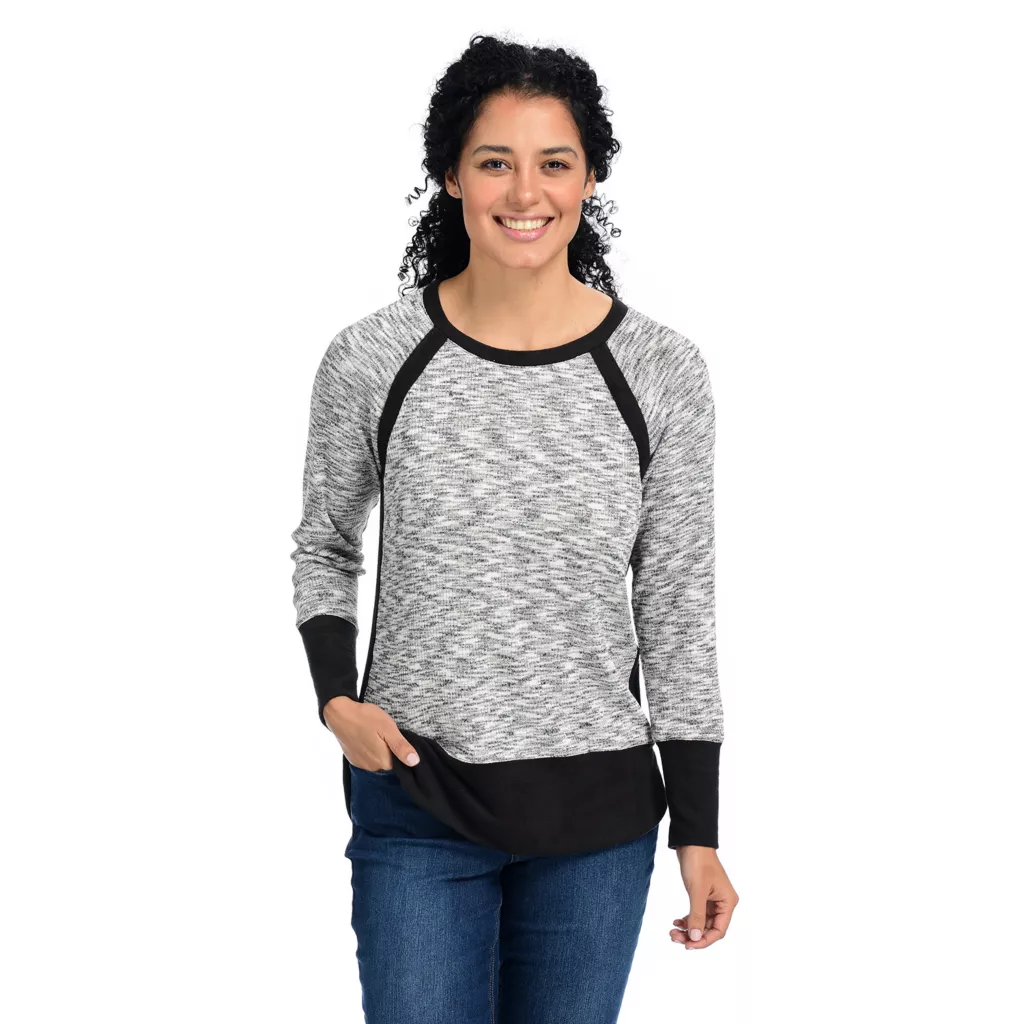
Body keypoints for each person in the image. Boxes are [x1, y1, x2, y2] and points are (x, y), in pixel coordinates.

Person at [290, 33, 739, 1024]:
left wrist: (698, 828)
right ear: (451, 175)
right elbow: (324, 541)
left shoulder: (661, 370)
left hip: (597, 824)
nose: (525, 192)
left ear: (590, 178)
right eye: (495, 161)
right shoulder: (373, 357)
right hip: (417, 801)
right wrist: (335, 698)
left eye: (554, 163)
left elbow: (677, 602)